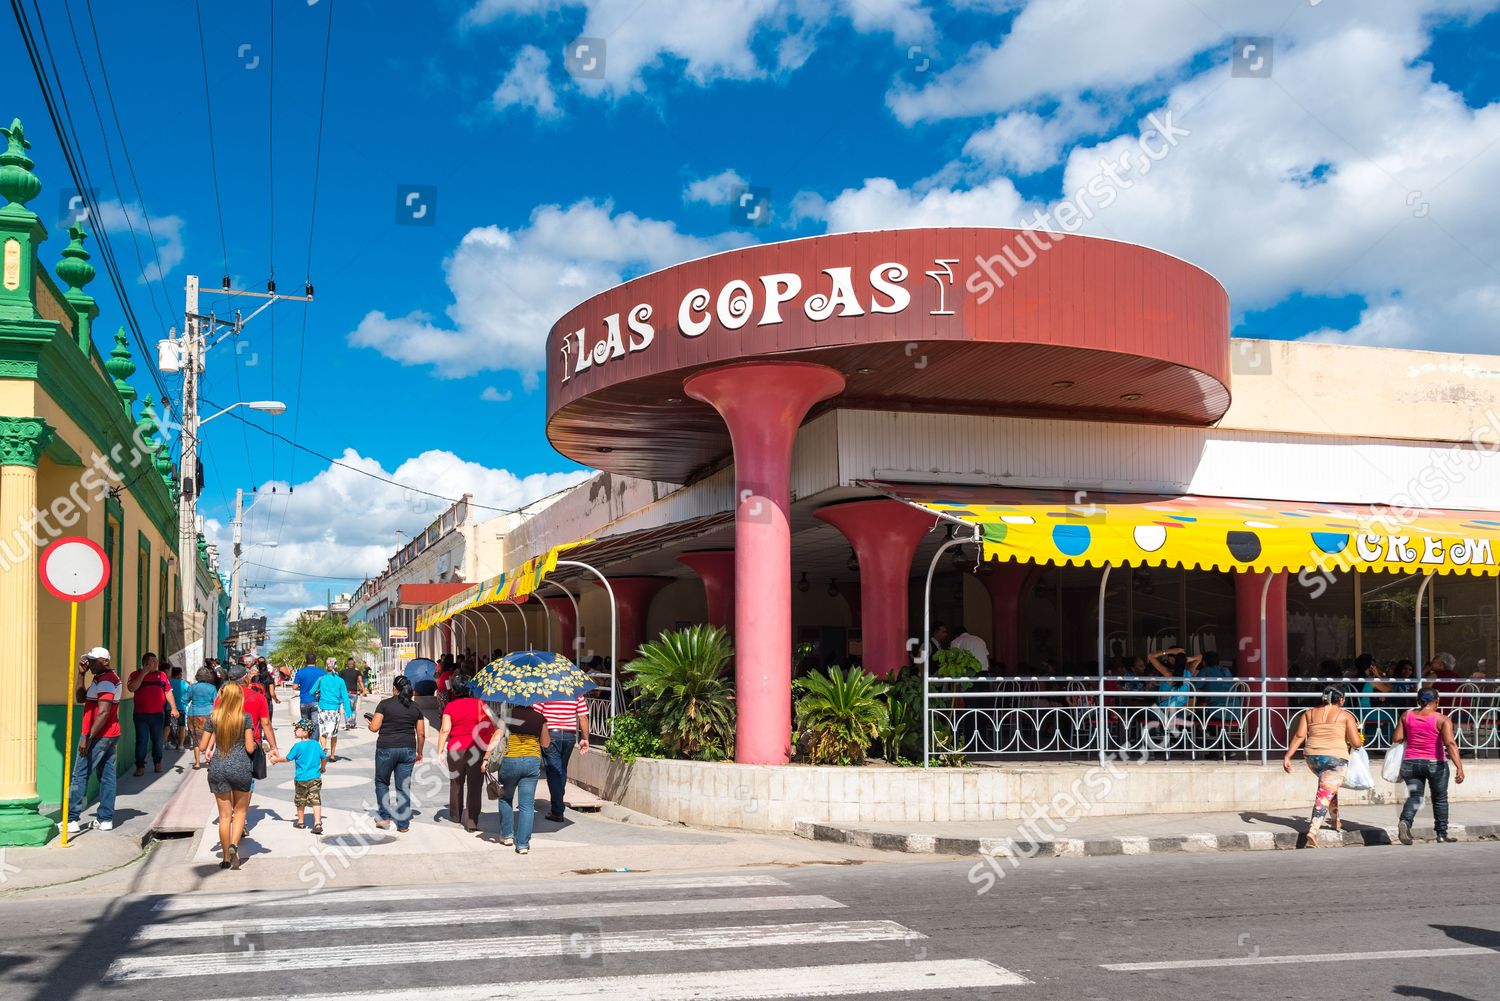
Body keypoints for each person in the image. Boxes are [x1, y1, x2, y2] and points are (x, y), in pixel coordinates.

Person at [1283, 686, 1363, 846]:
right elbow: (1356, 743)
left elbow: (1299, 735)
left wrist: (1288, 755)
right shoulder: (1346, 715)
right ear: (1341, 700)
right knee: (1325, 792)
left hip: (1312, 758)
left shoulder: (1309, 713)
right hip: (1335, 758)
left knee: (1328, 786)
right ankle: (1313, 830)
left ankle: (1335, 821)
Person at [1393, 687, 1466, 844]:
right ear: (1437, 701)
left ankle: (1405, 822)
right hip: (1435, 764)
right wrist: (1459, 766)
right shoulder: (1442, 719)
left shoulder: (1406, 715)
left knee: (1415, 797)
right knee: (1439, 799)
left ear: (1418, 701)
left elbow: (1397, 738)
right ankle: (1441, 834)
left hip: (1410, 764)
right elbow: (1450, 744)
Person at [198, 680, 256, 869]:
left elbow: (202, 746)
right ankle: (233, 845)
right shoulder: (245, 717)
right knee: (240, 812)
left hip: (218, 769)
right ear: (239, 697)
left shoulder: (213, 717)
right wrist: (255, 744)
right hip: (240, 768)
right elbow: (249, 747)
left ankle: (225, 858)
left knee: (224, 816)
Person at [66, 648, 121, 833]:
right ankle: (105, 819)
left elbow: (104, 712)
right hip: (108, 734)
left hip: (98, 735)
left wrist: (88, 738)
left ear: (104, 661)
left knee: (79, 775)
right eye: (87, 660)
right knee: (106, 777)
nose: (89, 664)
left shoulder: (106, 681)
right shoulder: (101, 679)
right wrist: (81, 675)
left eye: (92, 660)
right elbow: (81, 698)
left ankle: (72, 820)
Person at [437, 673, 494, 831]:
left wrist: (439, 751)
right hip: (475, 749)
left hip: (455, 749)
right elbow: (490, 726)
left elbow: (445, 730)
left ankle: (456, 815)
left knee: (456, 782)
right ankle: (471, 821)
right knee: (475, 785)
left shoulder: (450, 707)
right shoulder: (480, 704)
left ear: (454, 690)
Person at [369, 676, 426, 832]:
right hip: (407, 750)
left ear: (394, 688)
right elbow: (421, 734)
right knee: (403, 787)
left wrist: (370, 723)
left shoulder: (384, 704)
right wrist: (419, 752)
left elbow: (374, 728)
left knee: (382, 782)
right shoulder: (415, 707)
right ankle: (403, 825)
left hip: (386, 748)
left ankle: (385, 818)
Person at [493, 702, 550, 854]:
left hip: (510, 761)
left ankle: (507, 835)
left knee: (505, 798)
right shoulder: (540, 718)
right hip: (532, 762)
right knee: (527, 805)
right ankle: (523, 844)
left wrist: (486, 758)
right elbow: (545, 743)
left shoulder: (506, 716)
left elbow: (496, 738)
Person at [537, 695, 590, 823]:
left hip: (550, 734)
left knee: (553, 771)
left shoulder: (545, 689)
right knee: (561, 769)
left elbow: (537, 714)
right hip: (569, 736)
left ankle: (557, 810)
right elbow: (583, 716)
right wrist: (585, 738)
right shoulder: (575, 692)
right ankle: (558, 801)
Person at [126, 652, 176, 776]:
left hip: (158, 715)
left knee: (158, 741)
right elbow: (132, 688)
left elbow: (168, 692)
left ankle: (157, 762)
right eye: (153, 661)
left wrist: (174, 708)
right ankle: (140, 766)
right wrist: (144, 672)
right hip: (141, 715)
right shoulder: (135, 674)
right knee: (141, 741)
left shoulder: (162, 675)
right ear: (145, 663)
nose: (156, 663)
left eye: (156, 661)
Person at [276, 719, 328, 834]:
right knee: (315, 800)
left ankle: (300, 821)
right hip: (315, 778)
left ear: (305, 732)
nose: (295, 730)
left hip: (301, 779)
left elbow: (287, 758)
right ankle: (317, 823)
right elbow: (324, 757)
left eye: (297, 728)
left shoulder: (297, 746)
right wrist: (323, 767)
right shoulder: (315, 744)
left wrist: (276, 760)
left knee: (300, 801)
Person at [312, 659, 353, 763]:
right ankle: (333, 755)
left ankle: (323, 750)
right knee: (334, 733)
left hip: (323, 709)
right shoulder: (340, 681)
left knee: (323, 732)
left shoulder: (321, 679)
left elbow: (311, 691)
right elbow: (345, 698)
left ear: (327, 667)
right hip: (334, 710)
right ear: (336, 666)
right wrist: (349, 714)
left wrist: (319, 691)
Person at [184, 667, 219, 769]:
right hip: (208, 714)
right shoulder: (212, 688)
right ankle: (209, 760)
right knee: (209, 736)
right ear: (208, 677)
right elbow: (216, 702)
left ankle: (197, 762)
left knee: (195, 738)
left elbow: (184, 699)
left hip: (193, 714)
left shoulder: (192, 687)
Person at [293, 654, 325, 734]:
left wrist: (302, 687)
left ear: (305, 661)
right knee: (315, 724)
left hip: (304, 701)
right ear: (316, 661)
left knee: (305, 724)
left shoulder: (300, 672)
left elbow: (294, 686)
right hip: (316, 701)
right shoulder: (322, 672)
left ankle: (306, 741)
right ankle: (313, 743)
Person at [340, 657, 366, 731]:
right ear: (353, 664)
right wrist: (363, 690)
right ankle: (352, 723)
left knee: (346, 708)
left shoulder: (343, 671)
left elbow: (338, 680)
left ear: (347, 664)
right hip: (354, 693)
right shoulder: (357, 672)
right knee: (353, 709)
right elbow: (360, 681)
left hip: (345, 693)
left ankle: (347, 723)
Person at [167, 666, 189, 749]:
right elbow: (189, 691)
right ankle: (181, 745)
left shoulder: (168, 682)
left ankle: (165, 743)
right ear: (179, 674)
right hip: (181, 707)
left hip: (169, 707)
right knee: (181, 726)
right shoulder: (183, 683)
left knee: (167, 726)